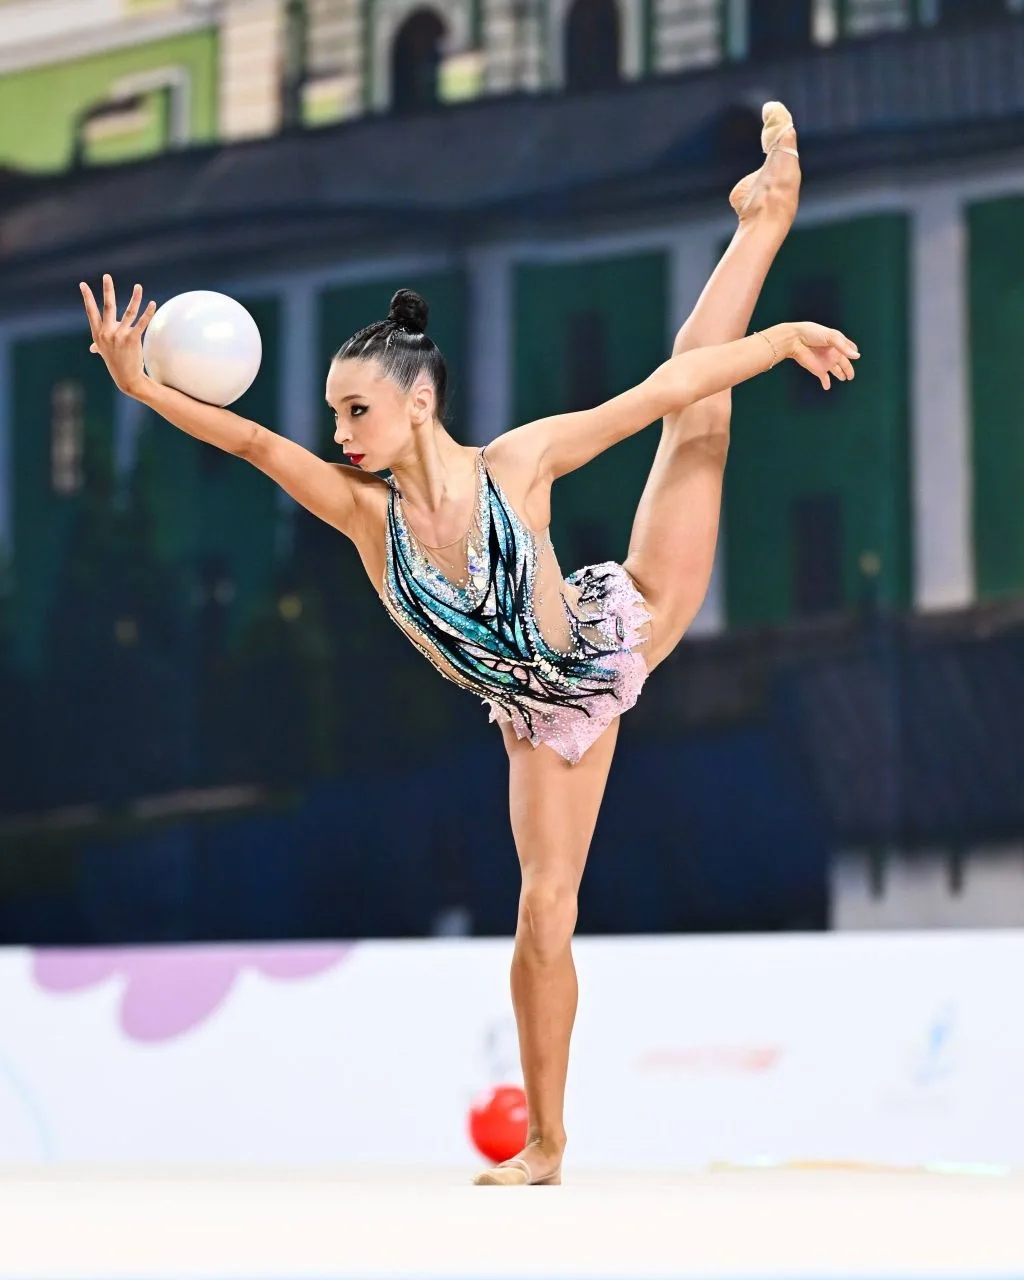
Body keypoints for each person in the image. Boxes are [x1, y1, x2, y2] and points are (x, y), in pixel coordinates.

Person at [80, 102, 857, 1186]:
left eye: (357, 412)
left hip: (619, 629)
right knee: (543, 914)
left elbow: (655, 393)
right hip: (540, 719)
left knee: (701, 415)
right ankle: (547, 1143)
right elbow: (254, 442)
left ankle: (763, 217)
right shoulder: (364, 516)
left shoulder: (517, 465)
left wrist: (774, 341)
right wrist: (139, 385)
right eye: (335, 415)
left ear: (419, 401)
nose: (340, 435)